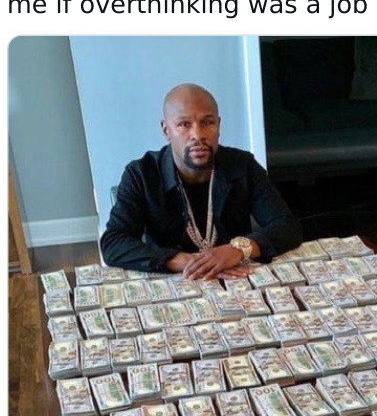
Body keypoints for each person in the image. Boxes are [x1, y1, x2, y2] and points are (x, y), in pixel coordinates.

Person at [100, 84, 302, 279]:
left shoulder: (243, 165)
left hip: (238, 278)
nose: (197, 135)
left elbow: (287, 227)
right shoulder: (141, 174)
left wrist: (239, 250)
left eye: (207, 122)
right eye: (184, 124)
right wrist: (189, 262)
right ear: (166, 130)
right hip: (174, 281)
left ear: (219, 125)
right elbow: (113, 244)